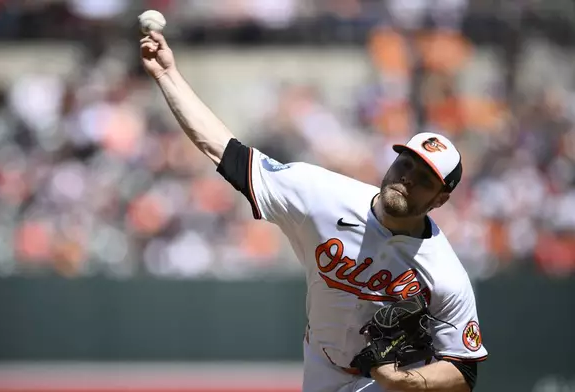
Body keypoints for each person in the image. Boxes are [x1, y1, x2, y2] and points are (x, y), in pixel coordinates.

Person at [139, 32, 487, 392]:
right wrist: (167, 76)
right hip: (322, 366)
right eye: (406, 164)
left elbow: (464, 369)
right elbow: (226, 152)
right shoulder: (320, 195)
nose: (408, 179)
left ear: (441, 199)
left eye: (425, 178)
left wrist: (407, 381)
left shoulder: (445, 273)